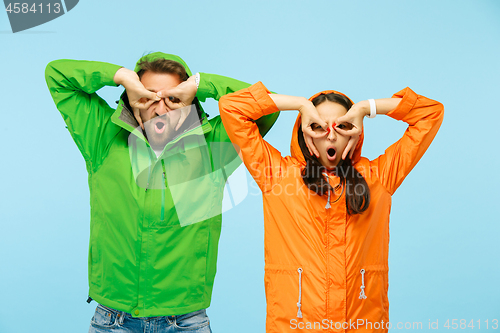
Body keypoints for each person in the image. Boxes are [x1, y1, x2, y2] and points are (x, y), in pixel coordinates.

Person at [45, 53, 279, 332]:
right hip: (112, 321)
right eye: (150, 96)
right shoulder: (102, 137)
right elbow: (57, 75)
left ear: (190, 103)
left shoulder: (213, 146)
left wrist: (200, 85)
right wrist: (121, 76)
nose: (161, 107)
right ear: (132, 98)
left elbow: (266, 105)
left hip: (185, 323)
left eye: (173, 98)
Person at [218, 81, 444, 332]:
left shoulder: (379, 178)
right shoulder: (277, 176)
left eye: (343, 125)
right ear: (304, 130)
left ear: (355, 131)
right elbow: (232, 108)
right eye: (318, 127)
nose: (331, 135)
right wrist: (300, 105)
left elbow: (430, 113)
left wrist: (366, 108)